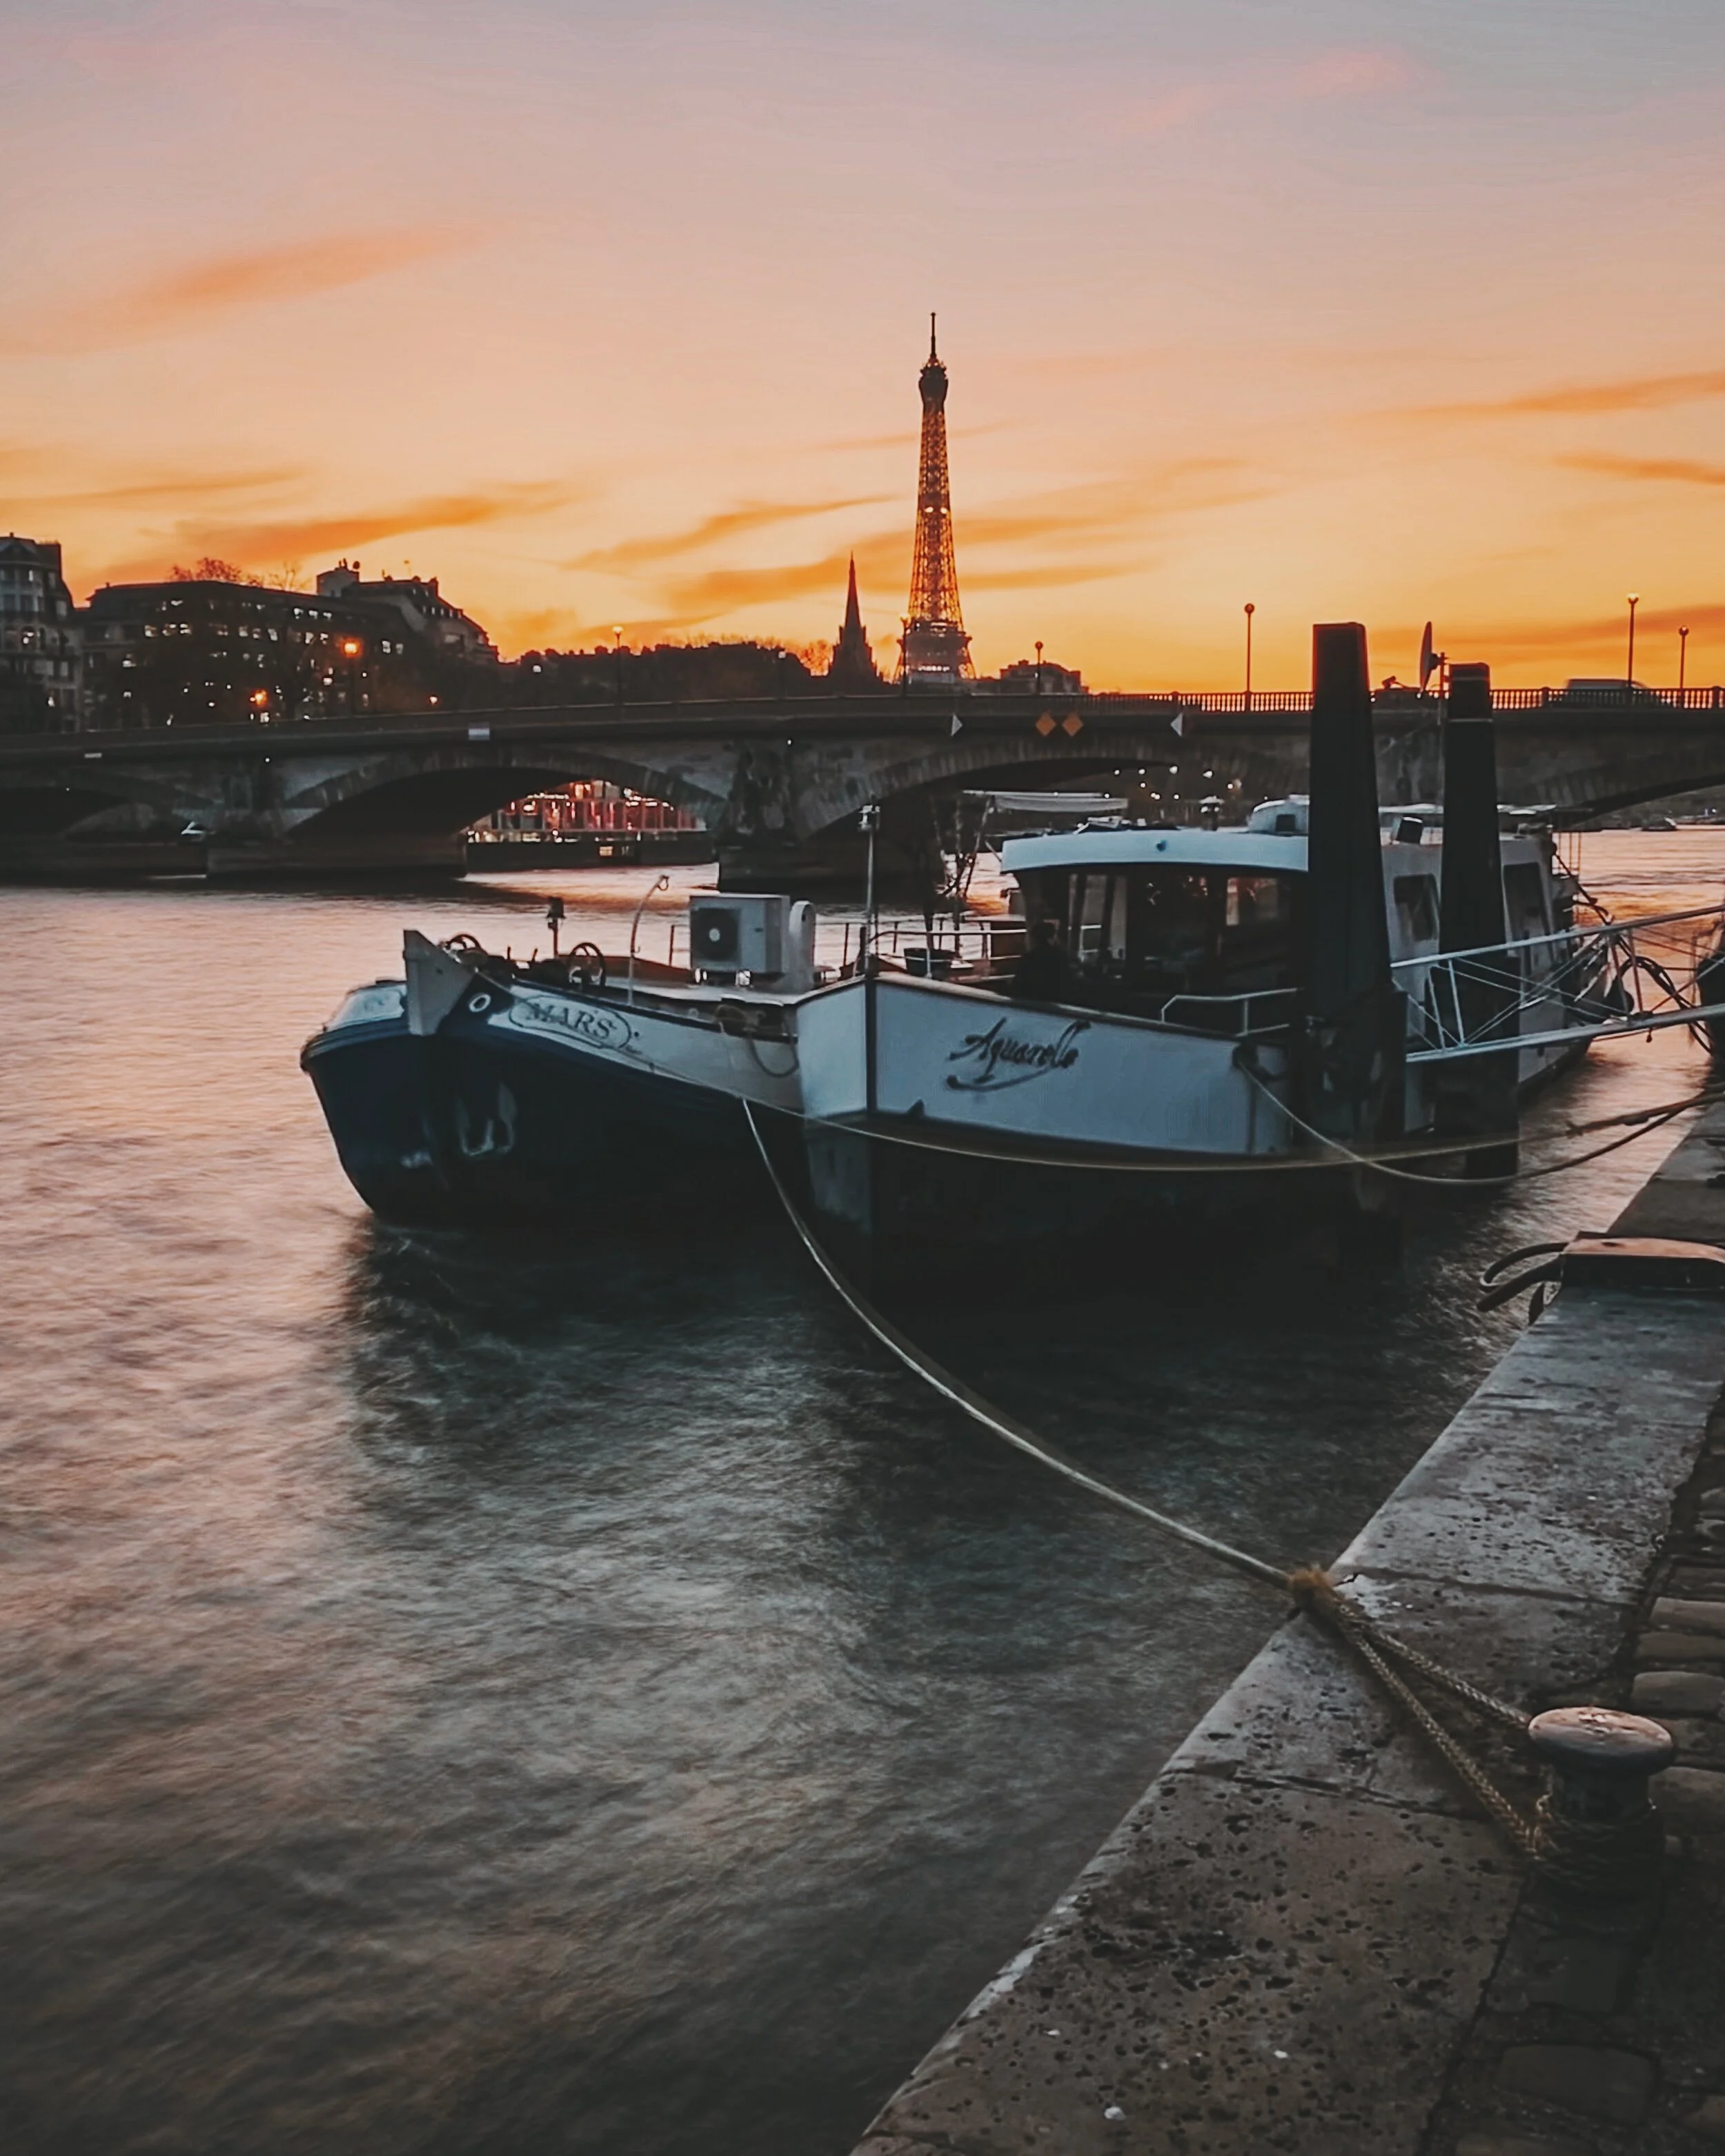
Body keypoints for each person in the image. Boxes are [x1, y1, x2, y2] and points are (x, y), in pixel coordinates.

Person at [1011, 916, 1075, 1003]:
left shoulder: (1030, 958)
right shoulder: (1061, 956)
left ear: (1035, 939)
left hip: (1033, 998)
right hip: (1057, 997)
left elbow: (1018, 984)